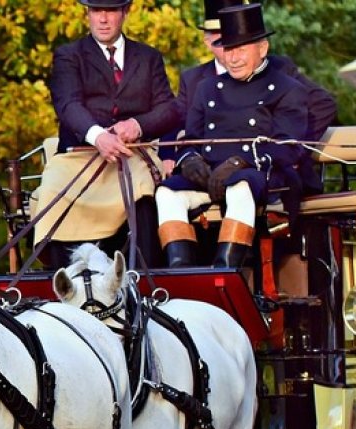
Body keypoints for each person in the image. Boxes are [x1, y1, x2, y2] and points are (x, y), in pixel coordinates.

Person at [154, 2, 307, 269]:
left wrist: (241, 162)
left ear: (263, 48)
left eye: (241, 49)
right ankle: (180, 270)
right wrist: (189, 160)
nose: (232, 58)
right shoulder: (206, 88)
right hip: (212, 178)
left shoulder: (287, 88)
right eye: (228, 49)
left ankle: (226, 267)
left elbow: (288, 148)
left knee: (240, 185)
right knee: (166, 192)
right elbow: (191, 138)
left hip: (264, 177)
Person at [42, 0, 183, 269]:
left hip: (133, 154)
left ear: (125, 12)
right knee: (51, 189)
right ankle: (59, 280)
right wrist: (97, 136)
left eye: (110, 11)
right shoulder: (68, 55)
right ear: (88, 14)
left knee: (143, 190)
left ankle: (144, 280)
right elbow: (67, 105)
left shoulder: (149, 57)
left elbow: (169, 109)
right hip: (80, 156)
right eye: (96, 11)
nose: (103, 19)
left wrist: (138, 125)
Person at [163, 0, 336, 195]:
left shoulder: (279, 69)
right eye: (223, 35)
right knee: (166, 194)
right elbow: (176, 121)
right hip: (208, 176)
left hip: (266, 175)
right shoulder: (194, 80)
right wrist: (180, 158)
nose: (232, 38)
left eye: (239, 35)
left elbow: (323, 105)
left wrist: (289, 148)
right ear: (209, 42)